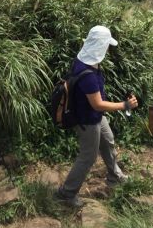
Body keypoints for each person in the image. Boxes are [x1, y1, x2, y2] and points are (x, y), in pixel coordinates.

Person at [55, 26, 138, 208]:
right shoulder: (88, 75)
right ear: (101, 46)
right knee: (88, 157)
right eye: (107, 45)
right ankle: (67, 193)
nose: (108, 49)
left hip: (95, 116)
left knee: (108, 141)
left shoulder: (84, 60)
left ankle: (115, 176)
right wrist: (125, 105)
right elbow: (98, 104)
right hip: (87, 120)